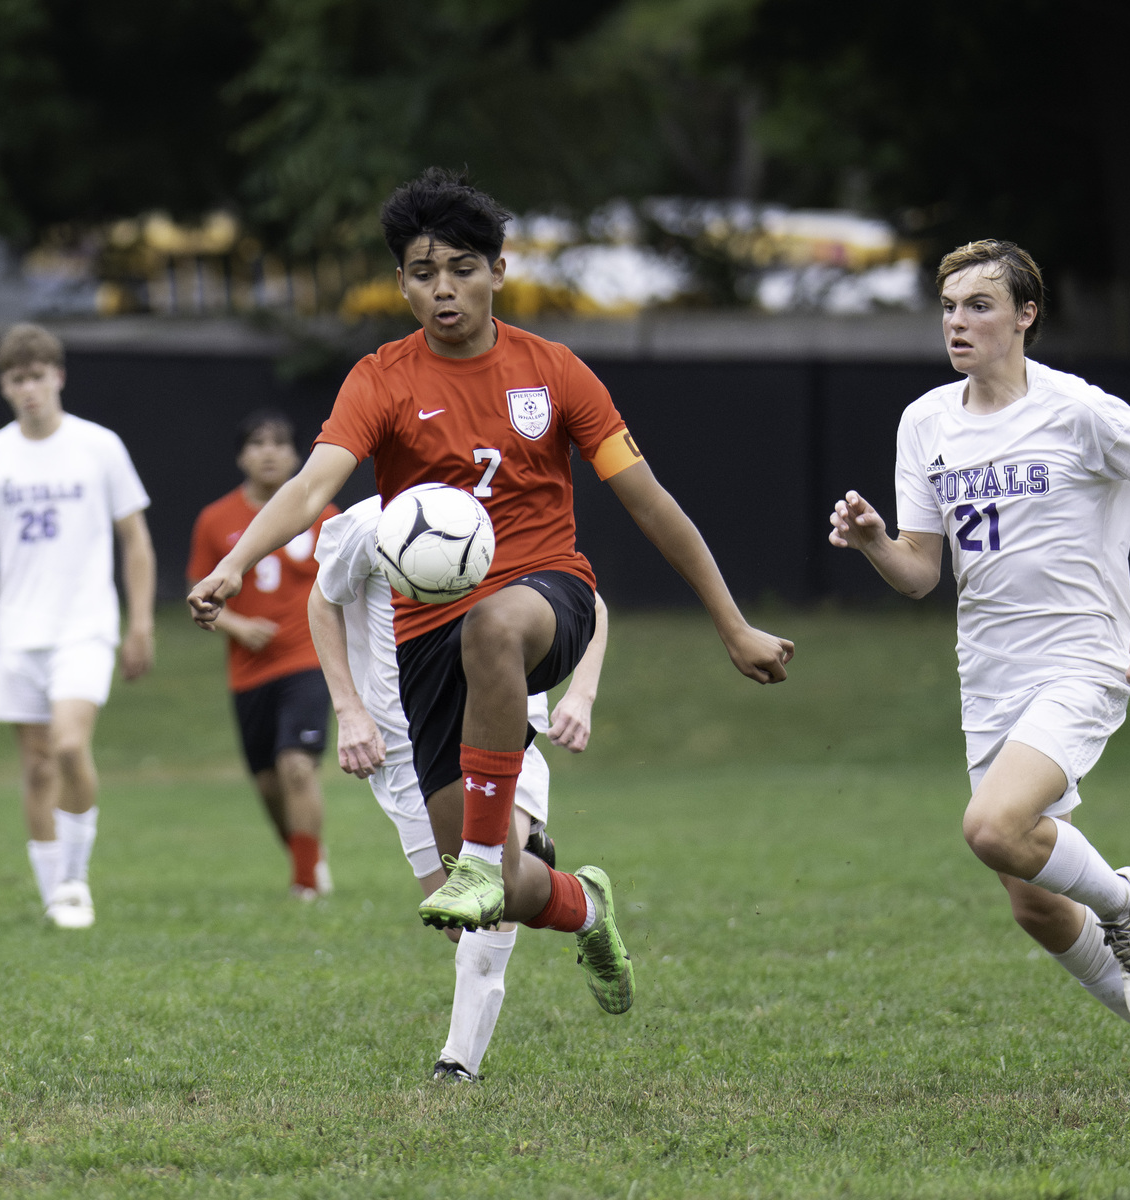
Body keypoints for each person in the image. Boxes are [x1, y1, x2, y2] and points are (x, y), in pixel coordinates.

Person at [189, 167, 793, 1026]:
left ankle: (479, 856)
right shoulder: (381, 379)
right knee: (504, 890)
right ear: (400, 283)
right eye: (425, 273)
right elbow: (314, 482)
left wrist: (733, 626)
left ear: (499, 272)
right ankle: (583, 905)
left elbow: (651, 501)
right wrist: (236, 563)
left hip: (548, 597)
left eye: (464, 269)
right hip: (425, 646)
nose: (445, 289)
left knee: (495, 623)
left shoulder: (554, 374)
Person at [830, 240, 1130, 1086]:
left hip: (1082, 657)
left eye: (979, 305)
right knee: (1032, 896)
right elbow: (921, 574)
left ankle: (1125, 898)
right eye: (948, 307)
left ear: (1025, 315)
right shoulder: (924, 421)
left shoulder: (1080, 411)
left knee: (991, 828)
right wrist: (873, 544)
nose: (958, 322)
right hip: (990, 674)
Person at [308, 495, 609, 1081]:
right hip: (402, 749)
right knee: (459, 921)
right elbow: (322, 600)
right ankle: (581, 902)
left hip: (495, 732)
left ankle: (458, 1064)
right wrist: (349, 709)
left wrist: (582, 693)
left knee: (488, 891)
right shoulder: (372, 522)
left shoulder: (505, 513)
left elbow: (588, 600)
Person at [0, 322, 156, 929]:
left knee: (69, 743)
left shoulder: (99, 447)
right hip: (18, 629)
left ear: (57, 376)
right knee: (37, 764)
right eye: (17, 379)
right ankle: (53, 894)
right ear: (5, 387)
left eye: (38, 375)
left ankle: (74, 878)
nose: (29, 388)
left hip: (85, 624)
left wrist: (140, 621)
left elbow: (135, 541)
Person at [187, 410, 340, 898]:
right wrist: (235, 624)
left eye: (279, 442)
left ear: (298, 454)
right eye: (257, 443)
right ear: (240, 456)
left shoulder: (329, 516)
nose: (269, 452)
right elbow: (200, 591)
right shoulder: (215, 519)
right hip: (250, 672)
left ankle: (305, 885)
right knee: (270, 786)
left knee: (297, 765)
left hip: (308, 661)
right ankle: (310, 855)